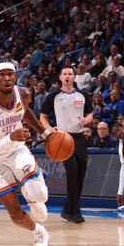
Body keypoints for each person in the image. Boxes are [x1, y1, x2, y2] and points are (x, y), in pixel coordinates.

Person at [0, 63, 53, 246]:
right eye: (2, 75)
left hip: (17, 149)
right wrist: (11, 137)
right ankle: (39, 232)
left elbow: (24, 111)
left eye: (10, 74)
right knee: (15, 213)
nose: (7, 78)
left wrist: (44, 133)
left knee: (40, 195)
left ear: (16, 77)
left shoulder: (24, 93)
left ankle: (32, 195)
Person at [40, 65, 93, 223]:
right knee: (72, 172)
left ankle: (70, 209)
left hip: (80, 138)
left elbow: (90, 114)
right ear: (61, 77)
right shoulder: (53, 96)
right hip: (63, 138)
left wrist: (86, 120)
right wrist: (49, 129)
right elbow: (43, 116)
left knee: (81, 174)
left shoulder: (83, 95)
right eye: (65, 74)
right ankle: (73, 211)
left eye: (70, 74)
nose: (68, 76)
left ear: (74, 77)